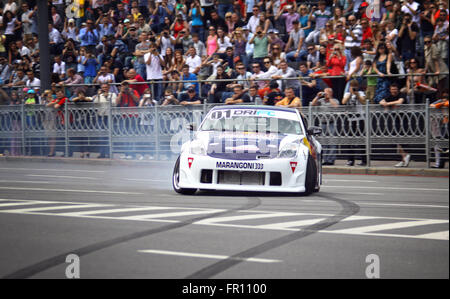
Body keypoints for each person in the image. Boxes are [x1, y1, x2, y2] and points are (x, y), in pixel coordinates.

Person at [379, 83, 410, 168]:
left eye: (395, 89)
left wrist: (388, 104)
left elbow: (399, 102)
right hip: (395, 120)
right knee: (396, 140)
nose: (393, 91)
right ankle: (404, 158)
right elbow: (381, 101)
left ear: (398, 89)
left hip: (404, 120)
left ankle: (405, 157)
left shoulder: (402, 94)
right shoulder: (389, 96)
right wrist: (385, 103)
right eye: (392, 89)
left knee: (401, 139)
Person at [311, 88, 339, 165]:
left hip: (331, 123)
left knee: (331, 141)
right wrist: (317, 96)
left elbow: (336, 106)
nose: (325, 94)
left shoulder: (334, 100)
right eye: (325, 92)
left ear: (331, 93)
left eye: (328, 92)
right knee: (324, 142)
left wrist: (329, 98)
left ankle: (331, 160)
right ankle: (325, 159)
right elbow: (312, 104)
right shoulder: (321, 101)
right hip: (322, 123)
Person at [342, 80, 367, 166]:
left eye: (355, 86)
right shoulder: (347, 94)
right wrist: (350, 94)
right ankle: (350, 160)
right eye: (352, 86)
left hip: (359, 119)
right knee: (350, 140)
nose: (353, 88)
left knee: (361, 140)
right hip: (350, 119)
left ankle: (364, 160)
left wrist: (357, 94)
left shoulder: (361, 93)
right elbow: (343, 102)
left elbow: (363, 101)